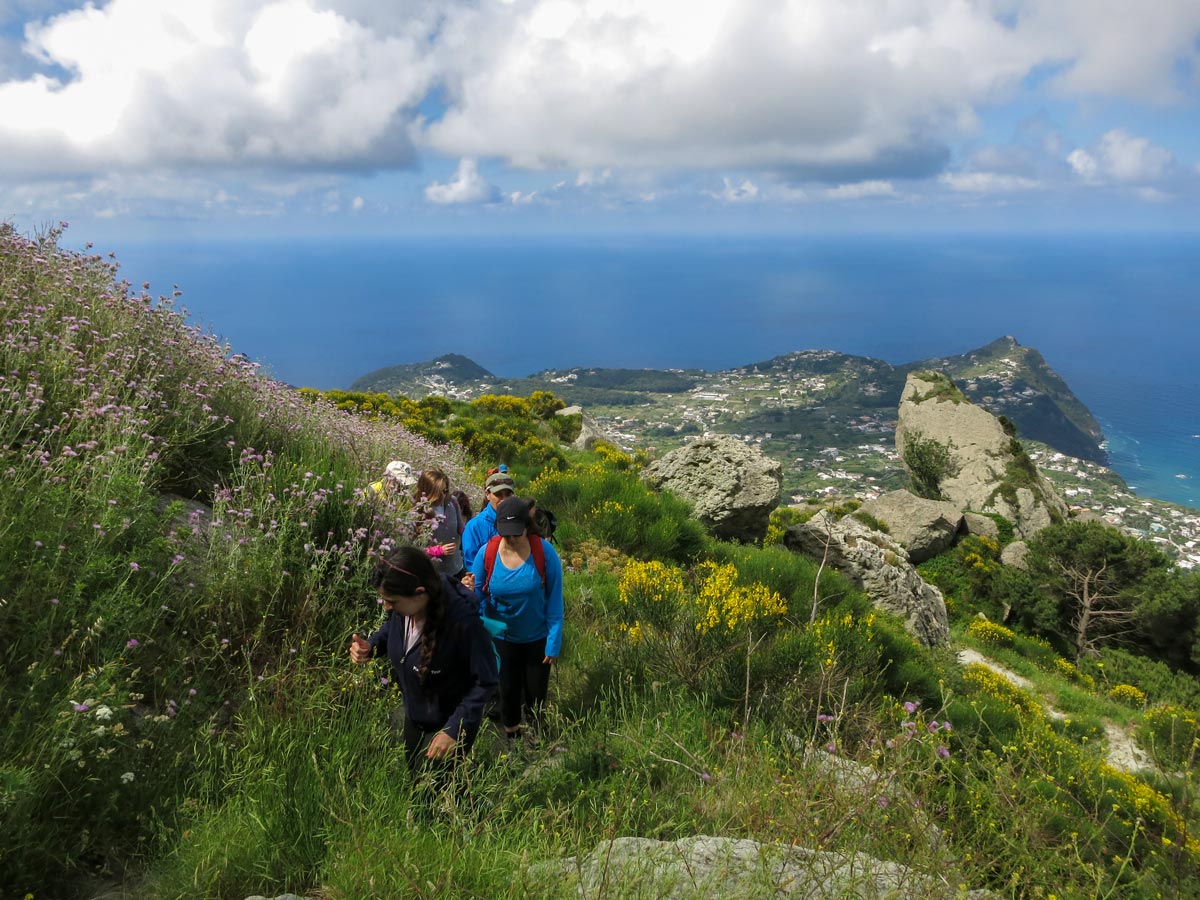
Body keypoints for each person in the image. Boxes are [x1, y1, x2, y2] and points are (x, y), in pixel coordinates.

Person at [349, 547, 498, 779]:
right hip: (416, 714)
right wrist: (372, 646)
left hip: (447, 725)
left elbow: (486, 680)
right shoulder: (406, 607)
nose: (387, 607)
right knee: (415, 782)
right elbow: (392, 628)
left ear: (419, 593)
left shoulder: (463, 623)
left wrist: (454, 729)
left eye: (391, 602)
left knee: (438, 794)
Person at [471, 495, 564, 743]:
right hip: (501, 638)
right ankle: (512, 738)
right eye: (506, 533)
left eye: (516, 533)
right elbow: (477, 593)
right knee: (507, 691)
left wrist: (553, 641)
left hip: (537, 638)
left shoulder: (544, 552)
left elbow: (555, 599)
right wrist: (482, 626)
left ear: (527, 526)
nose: (511, 538)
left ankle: (536, 736)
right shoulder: (488, 552)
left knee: (536, 693)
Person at [460, 466, 516, 573]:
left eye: (508, 495)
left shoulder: (519, 521)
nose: (504, 500)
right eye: (498, 495)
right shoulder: (474, 526)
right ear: (487, 494)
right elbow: (471, 565)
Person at [413, 469, 465, 578]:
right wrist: (438, 550)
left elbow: (462, 530)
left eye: (445, 491)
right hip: (432, 573)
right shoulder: (416, 512)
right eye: (438, 492)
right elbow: (412, 549)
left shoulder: (452, 502)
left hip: (456, 568)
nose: (443, 496)